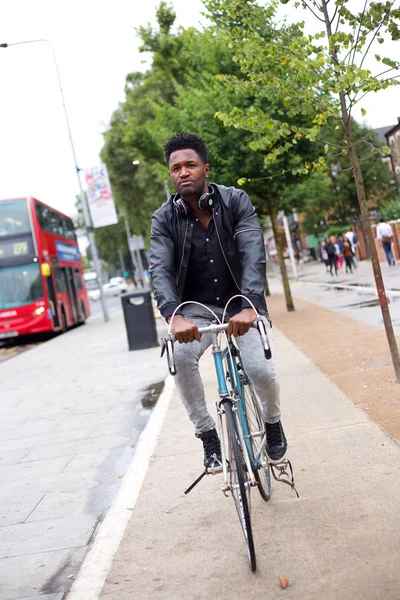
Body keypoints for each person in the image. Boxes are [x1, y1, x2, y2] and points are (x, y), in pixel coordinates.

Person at [150, 132, 286, 471]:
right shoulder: (163, 219)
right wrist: (173, 316)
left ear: (206, 168)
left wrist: (251, 303)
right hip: (194, 309)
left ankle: (272, 422)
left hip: (241, 300)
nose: (183, 172)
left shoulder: (236, 201)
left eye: (190, 165)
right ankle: (209, 436)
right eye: (175, 168)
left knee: (260, 370)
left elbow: (253, 253)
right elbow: (161, 269)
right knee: (180, 356)